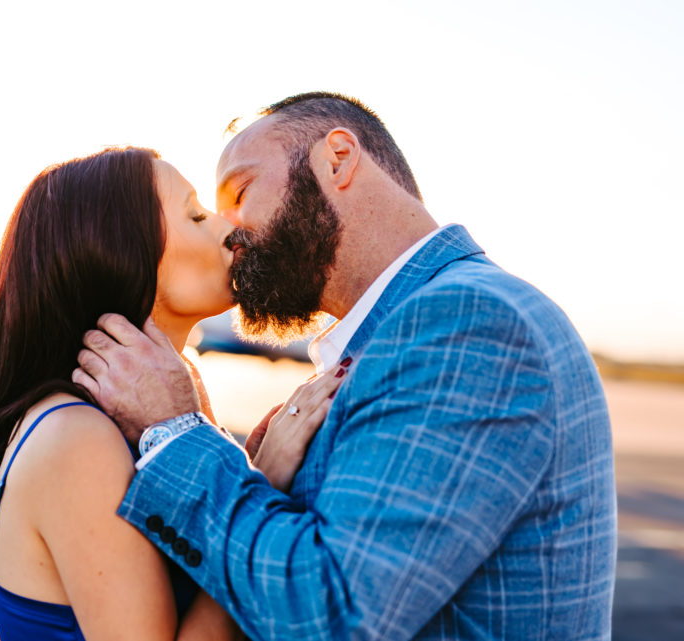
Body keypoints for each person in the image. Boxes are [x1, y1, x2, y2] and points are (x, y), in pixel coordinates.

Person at [74, 93, 617, 640]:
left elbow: (332, 617)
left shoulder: (467, 321)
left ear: (337, 159)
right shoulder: (406, 332)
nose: (227, 228)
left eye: (239, 192)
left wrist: (176, 436)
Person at [0, 147, 341, 641]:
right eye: (196, 215)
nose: (227, 228)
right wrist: (264, 481)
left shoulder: (153, 408)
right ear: (118, 250)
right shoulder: (76, 439)